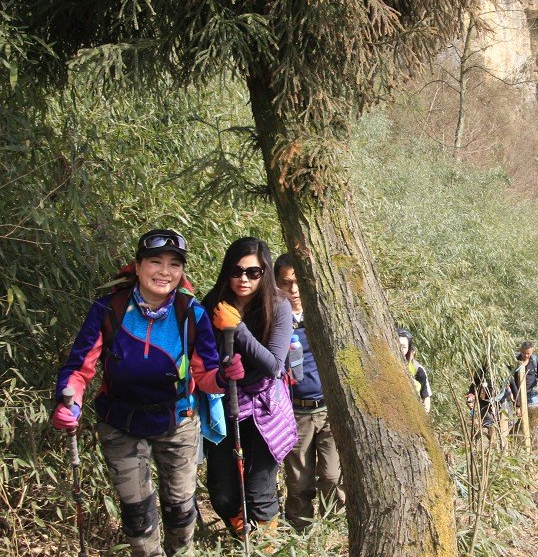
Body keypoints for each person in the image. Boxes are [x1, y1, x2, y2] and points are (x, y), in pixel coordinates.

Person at [51, 229, 236, 557]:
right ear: (137, 266)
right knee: (138, 519)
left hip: (177, 420)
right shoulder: (109, 309)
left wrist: (224, 377)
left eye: (174, 264)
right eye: (155, 262)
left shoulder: (191, 313)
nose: (165, 271)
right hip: (120, 420)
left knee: (181, 511)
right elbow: (79, 368)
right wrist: (70, 404)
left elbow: (205, 375)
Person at [202, 237, 296, 536]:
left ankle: (265, 545)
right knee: (223, 493)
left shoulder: (278, 305)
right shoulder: (213, 302)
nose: (243, 279)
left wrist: (237, 329)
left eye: (253, 272)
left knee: (258, 492)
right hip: (223, 401)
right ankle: (242, 535)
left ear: (264, 273)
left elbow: (274, 365)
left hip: (266, 405)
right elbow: (201, 355)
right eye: (237, 271)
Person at [275, 254, 345, 529]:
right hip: (295, 413)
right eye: (286, 283)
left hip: (328, 411)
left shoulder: (323, 316)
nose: (293, 290)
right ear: (276, 284)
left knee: (331, 478)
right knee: (299, 483)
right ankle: (300, 533)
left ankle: (331, 532)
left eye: (298, 283)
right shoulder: (272, 320)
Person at [398, 327, 432, 412]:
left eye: (404, 347)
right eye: (398, 345)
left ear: (408, 349)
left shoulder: (418, 370)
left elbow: (426, 396)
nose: (400, 349)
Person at [507, 341, 538, 407]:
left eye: (528, 353)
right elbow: (507, 376)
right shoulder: (514, 360)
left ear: (532, 351)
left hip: (531, 394)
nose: (526, 355)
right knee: (518, 412)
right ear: (520, 350)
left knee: (533, 412)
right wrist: (509, 391)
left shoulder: (534, 359)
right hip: (517, 393)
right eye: (523, 353)